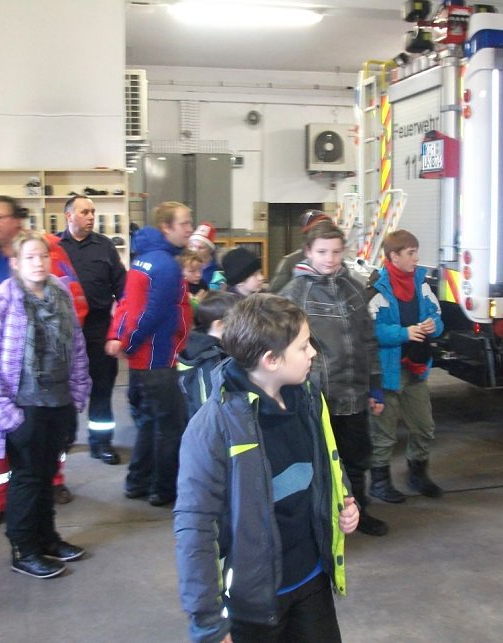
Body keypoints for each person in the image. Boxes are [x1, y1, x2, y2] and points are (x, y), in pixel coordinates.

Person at [174, 294, 359, 643]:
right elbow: (195, 528)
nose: (313, 353)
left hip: (311, 578)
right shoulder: (213, 427)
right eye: (303, 346)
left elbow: (327, 461)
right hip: (252, 602)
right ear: (271, 360)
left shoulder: (308, 398)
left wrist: (344, 500)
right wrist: (208, 622)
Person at [0, 196, 87, 533]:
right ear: (16, 262)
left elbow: (73, 313)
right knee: (0, 448)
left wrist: (69, 377)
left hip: (49, 384)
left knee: (48, 448)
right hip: (4, 381)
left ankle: (54, 486)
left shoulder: (49, 255)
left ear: (17, 220)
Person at [280, 220, 388, 537]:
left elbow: (368, 340)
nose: (330, 259)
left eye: (336, 252)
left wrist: (375, 386)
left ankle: (359, 512)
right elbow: (282, 348)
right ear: (308, 252)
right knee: (319, 461)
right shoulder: (294, 294)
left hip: (354, 395)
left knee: (356, 458)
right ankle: (320, 521)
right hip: (317, 396)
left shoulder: (354, 288)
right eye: (322, 252)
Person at [106, 201, 193, 507]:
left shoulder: (142, 260)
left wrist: (121, 339)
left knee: (149, 422)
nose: (190, 229)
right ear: (166, 227)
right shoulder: (166, 265)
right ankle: (163, 489)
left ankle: (137, 482)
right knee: (170, 427)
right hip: (159, 358)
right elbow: (152, 314)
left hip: (145, 360)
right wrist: (130, 342)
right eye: (184, 223)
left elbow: (126, 305)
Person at [368, 229, 445, 502]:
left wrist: (434, 325)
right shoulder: (377, 289)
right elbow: (370, 330)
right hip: (387, 373)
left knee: (424, 427)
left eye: (416, 252)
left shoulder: (422, 286)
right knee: (384, 434)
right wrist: (404, 333)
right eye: (411, 253)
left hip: (416, 369)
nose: (416, 258)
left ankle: (418, 474)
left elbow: (437, 317)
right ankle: (379, 483)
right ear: (394, 256)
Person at [58, 196, 126, 466]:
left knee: (102, 385)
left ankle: (101, 442)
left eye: (92, 212)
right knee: (64, 386)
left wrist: (118, 330)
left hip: (98, 327)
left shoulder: (105, 246)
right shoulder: (54, 247)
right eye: (84, 212)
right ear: (69, 216)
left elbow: (122, 289)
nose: (90, 217)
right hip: (64, 329)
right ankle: (64, 438)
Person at [177, 291, 238, 421]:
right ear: (219, 325)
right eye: (240, 322)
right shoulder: (209, 360)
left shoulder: (212, 347)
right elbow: (208, 410)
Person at [268, 209, 331, 293]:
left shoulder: (338, 263)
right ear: (307, 235)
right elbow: (275, 294)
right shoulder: (290, 262)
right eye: (318, 230)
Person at [188, 221, 225, 290]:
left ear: (210, 250)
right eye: (191, 246)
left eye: (200, 248)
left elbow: (218, 292)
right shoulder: (183, 265)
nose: (194, 250)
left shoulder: (219, 268)